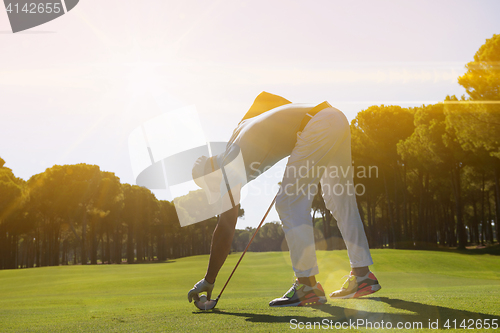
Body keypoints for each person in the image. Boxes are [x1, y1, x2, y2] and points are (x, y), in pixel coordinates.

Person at [187, 92, 381, 307]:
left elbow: (225, 228)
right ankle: (362, 275)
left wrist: (208, 280)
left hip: (318, 125)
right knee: (339, 198)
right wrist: (295, 129)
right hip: (334, 116)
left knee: (289, 202)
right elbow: (266, 97)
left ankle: (307, 287)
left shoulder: (227, 170)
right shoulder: (237, 133)